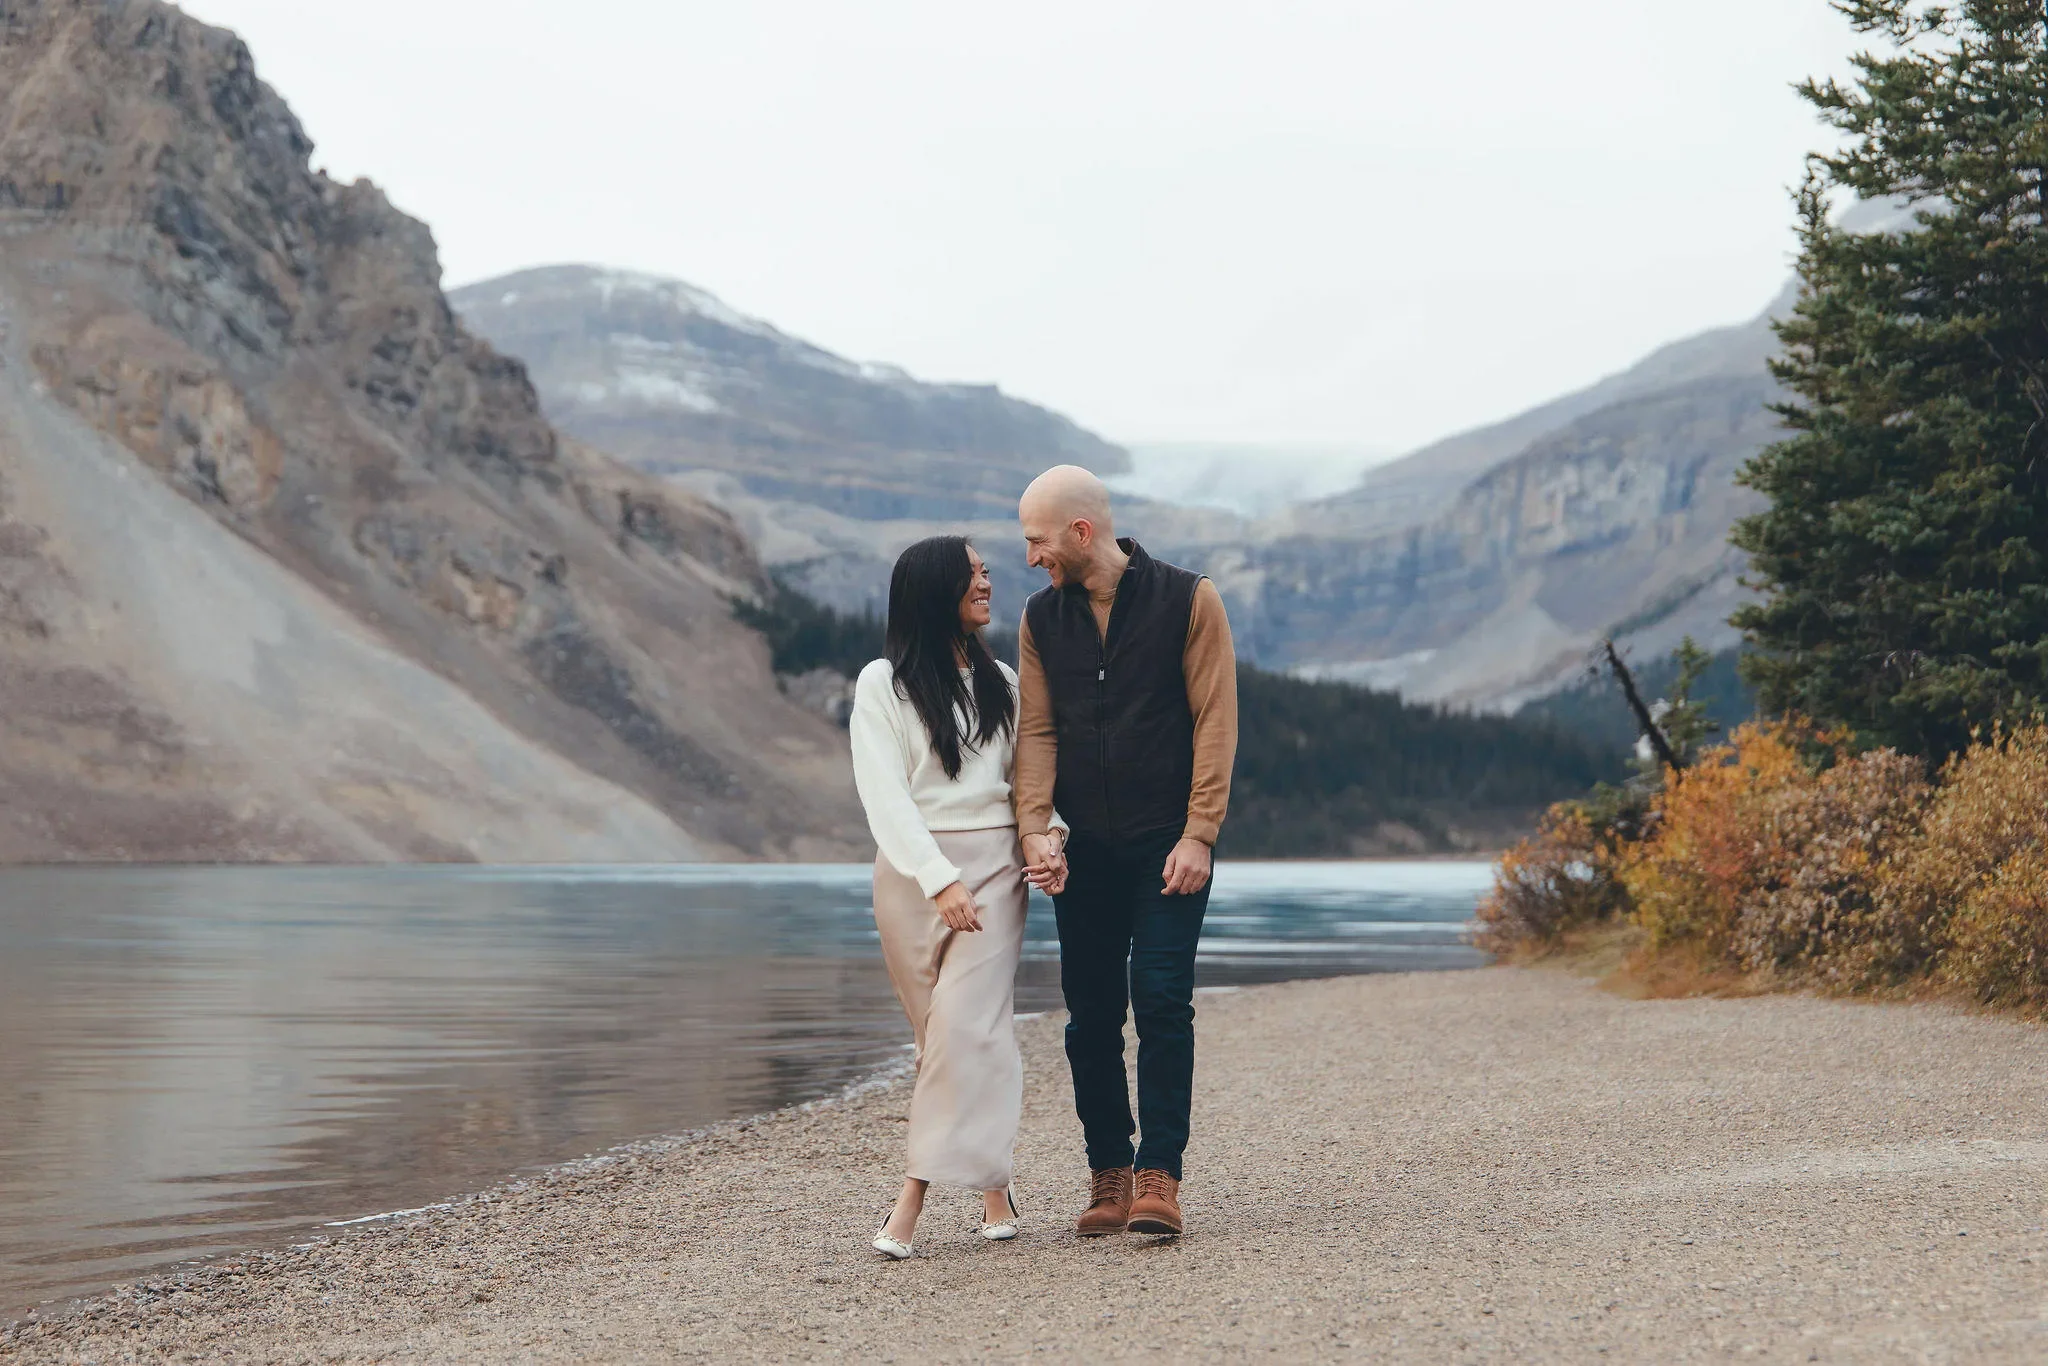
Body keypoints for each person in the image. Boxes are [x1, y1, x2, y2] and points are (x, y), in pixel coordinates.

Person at [1014, 465, 1238, 1239]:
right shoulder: (1041, 619)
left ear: (1081, 532)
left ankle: (1160, 1176)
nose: (1031, 557)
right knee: (1090, 1019)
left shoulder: (1189, 598)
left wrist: (1200, 832)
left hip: (1168, 846)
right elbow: (1036, 731)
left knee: (1164, 1003)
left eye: (1037, 540)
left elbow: (1215, 719)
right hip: (1087, 853)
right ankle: (1108, 1173)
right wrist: (1035, 826)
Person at [849, 535, 1067, 1259]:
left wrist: (1050, 838)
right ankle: (994, 1188)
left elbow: (1028, 783)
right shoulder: (881, 683)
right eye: (972, 572)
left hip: (997, 869)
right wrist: (937, 878)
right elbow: (884, 794)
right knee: (935, 1040)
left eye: (984, 570)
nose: (987, 579)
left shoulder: (1002, 678)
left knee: (967, 1031)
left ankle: (909, 1198)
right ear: (935, 587)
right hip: (913, 878)